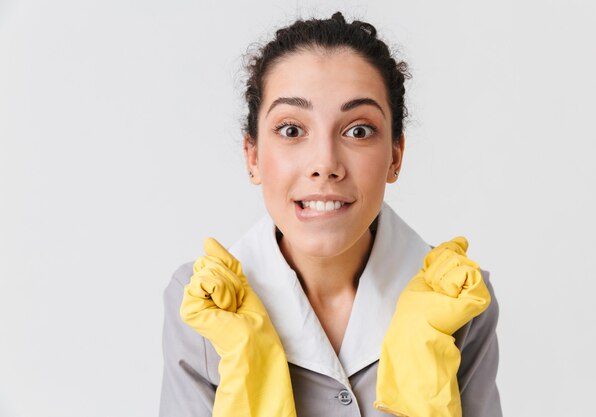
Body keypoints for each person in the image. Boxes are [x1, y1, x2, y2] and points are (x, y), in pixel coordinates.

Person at [159, 12, 502, 417]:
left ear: (396, 155)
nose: (325, 164)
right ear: (252, 156)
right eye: (291, 130)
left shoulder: (458, 297)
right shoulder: (204, 302)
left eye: (358, 130)